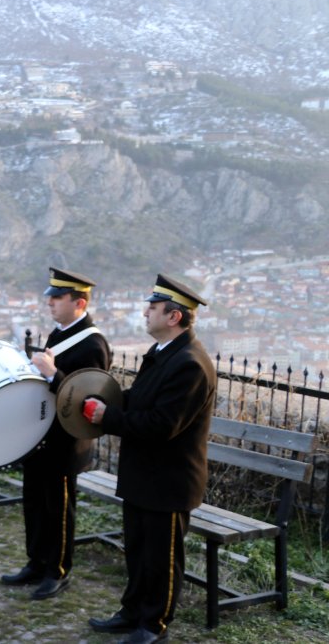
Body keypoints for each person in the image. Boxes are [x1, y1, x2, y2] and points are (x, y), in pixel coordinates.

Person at [85, 274, 216, 644]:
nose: (146, 313)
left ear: (173, 317)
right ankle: (132, 612)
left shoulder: (189, 363)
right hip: (145, 475)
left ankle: (153, 625)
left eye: (153, 308)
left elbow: (163, 425)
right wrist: (106, 400)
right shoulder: (164, 354)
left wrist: (106, 418)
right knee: (138, 550)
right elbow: (141, 398)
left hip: (169, 480)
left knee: (161, 558)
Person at [1, 268, 111, 599]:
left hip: (66, 442)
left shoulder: (93, 343)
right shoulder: (58, 333)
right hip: (40, 436)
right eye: (50, 295)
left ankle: (58, 570)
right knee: (34, 502)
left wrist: (52, 374)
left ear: (79, 303)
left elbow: (90, 399)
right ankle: (36, 562)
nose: (49, 301)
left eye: (57, 297)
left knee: (59, 509)